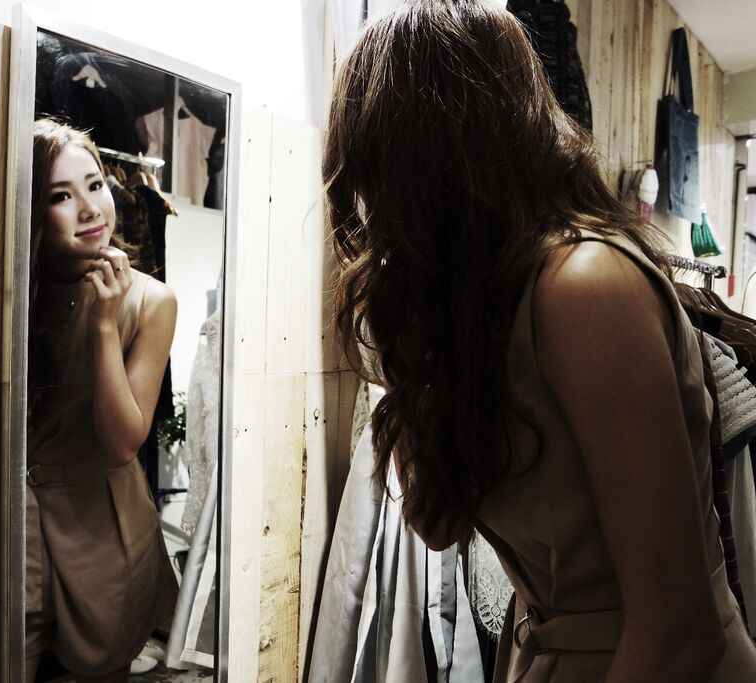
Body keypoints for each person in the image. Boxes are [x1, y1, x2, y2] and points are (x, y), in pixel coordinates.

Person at [324, 1, 756, 680]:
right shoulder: (491, 304)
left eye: (373, 167)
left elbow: (679, 630)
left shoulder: (585, 286)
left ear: (421, 162)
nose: (363, 202)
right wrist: (413, 340)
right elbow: (437, 524)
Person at [24, 118, 178, 683]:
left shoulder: (151, 301)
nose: (91, 208)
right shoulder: (7, 291)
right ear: (30, 208)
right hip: (19, 521)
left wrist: (105, 323)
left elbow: (120, 445)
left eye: (95, 184)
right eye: (61, 196)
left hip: (103, 529)